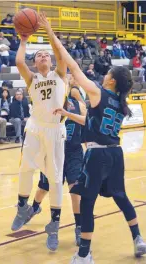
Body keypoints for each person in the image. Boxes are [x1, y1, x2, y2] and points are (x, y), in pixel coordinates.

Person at [39, 12, 146, 263]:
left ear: (110, 80)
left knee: (86, 202)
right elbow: (90, 121)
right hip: (115, 154)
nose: (104, 73)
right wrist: (68, 112)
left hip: (96, 155)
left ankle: (85, 254)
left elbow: (73, 67)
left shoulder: (98, 93)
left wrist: (51, 34)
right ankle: (138, 238)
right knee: (120, 196)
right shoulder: (120, 103)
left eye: (108, 72)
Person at [11, 12, 67, 254]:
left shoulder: (60, 75)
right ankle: (22, 205)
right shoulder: (31, 78)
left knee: (55, 180)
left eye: (46, 54)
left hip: (55, 131)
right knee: (25, 168)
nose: (43, 56)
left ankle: (54, 224)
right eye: (39, 55)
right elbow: (19, 63)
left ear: (51, 61)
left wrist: (48, 30)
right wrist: (24, 41)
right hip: (35, 127)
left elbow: (59, 52)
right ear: (36, 63)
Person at [25, 76, 87, 248]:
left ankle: (79, 227)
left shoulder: (79, 104)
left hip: (73, 151)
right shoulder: (46, 103)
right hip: (52, 150)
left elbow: (88, 123)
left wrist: (89, 144)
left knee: (75, 190)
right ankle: (36, 208)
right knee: (45, 188)